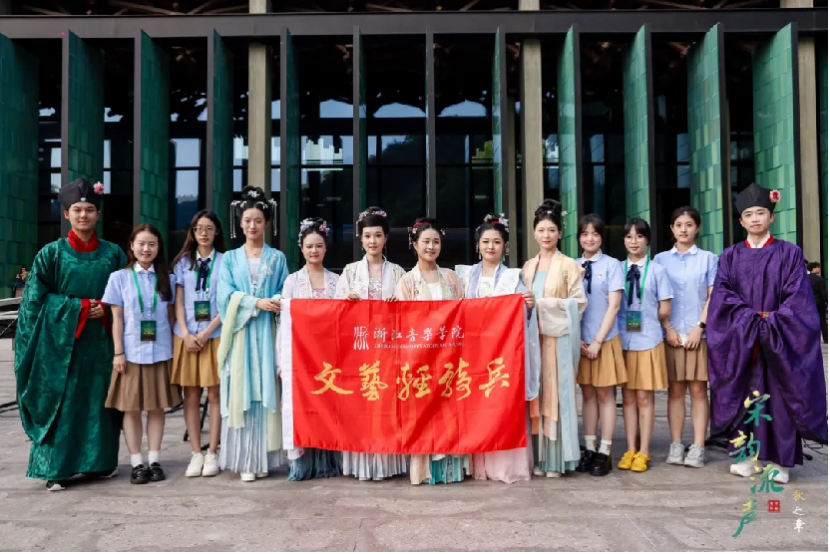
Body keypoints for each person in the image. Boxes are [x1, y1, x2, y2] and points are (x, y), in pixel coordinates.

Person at [708, 182, 829, 484]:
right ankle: (747, 457)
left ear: (771, 217)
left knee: (780, 398)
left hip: (780, 339)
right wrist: (750, 320)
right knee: (745, 397)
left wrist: (771, 322)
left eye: (760, 213)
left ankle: (780, 461)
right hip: (743, 341)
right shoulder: (730, 256)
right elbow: (722, 296)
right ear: (741, 221)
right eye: (748, 214)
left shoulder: (789, 253)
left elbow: (798, 298)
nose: (755, 219)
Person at [14, 177, 125, 491]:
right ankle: (56, 469)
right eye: (77, 210)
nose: (83, 215)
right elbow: (33, 303)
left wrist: (107, 307)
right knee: (62, 402)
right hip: (61, 347)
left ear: (98, 214)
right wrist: (79, 308)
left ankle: (98, 463)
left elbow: (128, 295)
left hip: (103, 343)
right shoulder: (51, 254)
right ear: (66, 214)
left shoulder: (114, 254)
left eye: (89, 210)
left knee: (100, 401)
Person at [455, 213, 540, 484]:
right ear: (477, 245)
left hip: (503, 354)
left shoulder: (514, 277)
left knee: (502, 404)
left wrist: (528, 307)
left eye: (496, 242)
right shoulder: (464, 277)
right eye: (485, 242)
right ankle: (478, 463)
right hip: (473, 353)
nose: (490, 247)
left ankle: (506, 466)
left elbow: (523, 316)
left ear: (505, 246)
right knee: (477, 406)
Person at [217, 185, 288, 482]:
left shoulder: (277, 258)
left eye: (258, 220)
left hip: (267, 332)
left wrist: (277, 301)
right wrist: (255, 302)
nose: (252, 226)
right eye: (247, 220)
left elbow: (285, 290)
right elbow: (224, 296)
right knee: (242, 388)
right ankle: (245, 459)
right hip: (241, 334)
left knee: (267, 388)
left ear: (267, 223)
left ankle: (265, 458)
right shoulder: (229, 259)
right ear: (240, 222)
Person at [103, 224, 181, 485]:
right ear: (132, 246)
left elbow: (172, 317)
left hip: (161, 351)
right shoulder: (119, 278)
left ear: (158, 248)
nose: (146, 249)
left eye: (152, 244)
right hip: (132, 353)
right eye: (141, 244)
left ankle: (155, 460)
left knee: (157, 407)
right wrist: (118, 353)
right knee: (132, 409)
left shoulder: (168, 278)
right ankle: (137, 462)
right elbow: (117, 319)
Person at [335, 206, 409, 481]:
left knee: (385, 406)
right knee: (360, 405)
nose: (373, 241)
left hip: (388, 347)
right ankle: (362, 465)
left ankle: (386, 464)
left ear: (386, 238)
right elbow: (335, 311)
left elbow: (410, 311)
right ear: (360, 238)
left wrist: (398, 303)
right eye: (367, 236)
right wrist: (347, 301)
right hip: (359, 347)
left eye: (378, 235)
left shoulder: (398, 272)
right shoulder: (350, 272)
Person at [396, 217, 467, 485]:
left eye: (436, 241)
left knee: (449, 413)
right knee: (423, 414)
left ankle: (450, 469)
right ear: (414, 244)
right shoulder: (406, 282)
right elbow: (403, 323)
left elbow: (465, 313)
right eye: (425, 241)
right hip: (421, 359)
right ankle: (424, 471)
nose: (431, 246)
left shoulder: (452, 278)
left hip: (450, 357)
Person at [521, 199, 587, 478]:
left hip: (558, 339)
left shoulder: (569, 265)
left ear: (560, 233)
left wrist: (541, 305)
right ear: (534, 233)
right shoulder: (528, 267)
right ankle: (539, 456)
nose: (546, 235)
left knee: (557, 396)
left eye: (551, 230)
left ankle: (557, 461)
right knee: (536, 395)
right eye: (541, 230)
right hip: (533, 339)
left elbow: (578, 303)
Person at [654, 207, 718, 469]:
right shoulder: (659, 260)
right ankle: (676, 443)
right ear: (671, 228)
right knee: (676, 391)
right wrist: (668, 327)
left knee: (699, 391)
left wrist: (699, 328)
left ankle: (699, 446)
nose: (683, 229)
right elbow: (655, 297)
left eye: (689, 224)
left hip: (698, 334)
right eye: (678, 224)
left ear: (697, 228)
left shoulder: (708, 259)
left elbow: (713, 296)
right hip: (670, 335)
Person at [281, 217, 342, 481]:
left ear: (325, 248)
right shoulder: (292, 282)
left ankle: (329, 462)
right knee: (304, 409)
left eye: (318, 246)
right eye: (309, 246)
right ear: (301, 248)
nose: (314, 251)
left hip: (330, 357)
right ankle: (303, 466)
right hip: (302, 358)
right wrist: (282, 361)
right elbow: (284, 324)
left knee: (329, 409)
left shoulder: (337, 281)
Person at [171, 210, 226, 478]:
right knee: (191, 396)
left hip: (214, 335)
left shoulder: (225, 262)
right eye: (198, 228)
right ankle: (196, 453)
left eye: (209, 228)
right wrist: (185, 333)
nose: (203, 233)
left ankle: (212, 452)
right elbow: (178, 301)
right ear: (192, 233)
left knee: (214, 395)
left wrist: (206, 333)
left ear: (217, 232)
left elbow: (227, 302)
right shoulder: (183, 262)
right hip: (187, 337)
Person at [617, 217, 672, 474]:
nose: (634, 241)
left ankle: (645, 451)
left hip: (648, 338)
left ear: (647, 240)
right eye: (629, 237)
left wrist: (648, 317)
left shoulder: (658, 270)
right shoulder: (617, 269)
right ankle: (630, 448)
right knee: (627, 397)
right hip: (622, 339)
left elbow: (665, 307)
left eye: (639, 236)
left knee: (644, 397)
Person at [575, 214, 627, 477]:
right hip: (580, 341)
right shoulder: (573, 265)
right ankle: (589, 447)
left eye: (594, 234)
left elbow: (614, 306)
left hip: (604, 340)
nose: (590, 238)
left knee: (606, 395)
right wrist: (578, 339)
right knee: (587, 395)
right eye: (585, 234)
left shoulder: (612, 265)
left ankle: (605, 451)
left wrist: (597, 341)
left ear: (602, 237)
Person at [807, 262, 828, 343]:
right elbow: (824, 293)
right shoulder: (820, 279)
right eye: (818, 267)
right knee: (822, 320)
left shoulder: (805, 278)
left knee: (809, 320)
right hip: (819, 302)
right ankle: (826, 338)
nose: (819, 269)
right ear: (813, 268)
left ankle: (811, 339)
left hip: (808, 303)